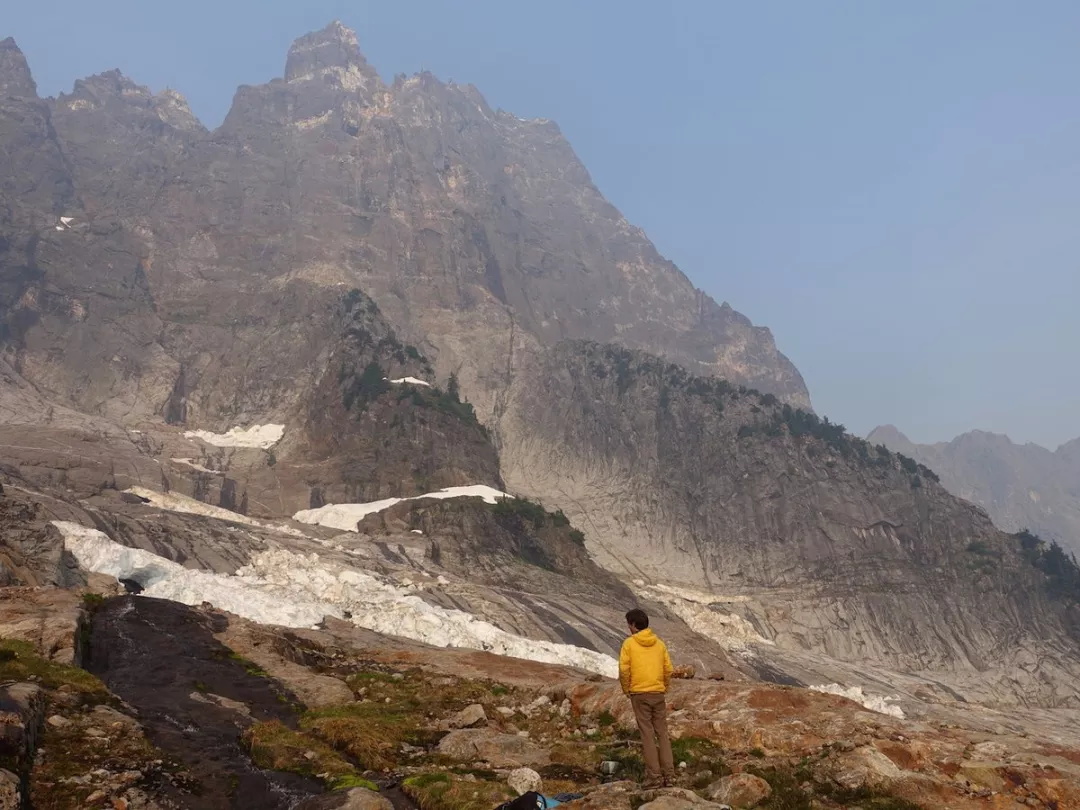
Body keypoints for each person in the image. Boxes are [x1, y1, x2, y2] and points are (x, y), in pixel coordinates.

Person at [619, 608, 675, 788]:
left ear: (634, 625)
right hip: (658, 693)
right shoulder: (659, 644)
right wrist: (664, 687)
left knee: (647, 734)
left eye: (629, 623)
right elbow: (668, 669)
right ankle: (670, 775)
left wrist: (627, 689)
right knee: (662, 733)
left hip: (639, 693)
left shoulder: (629, 644)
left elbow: (624, 669)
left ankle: (654, 776)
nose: (628, 627)